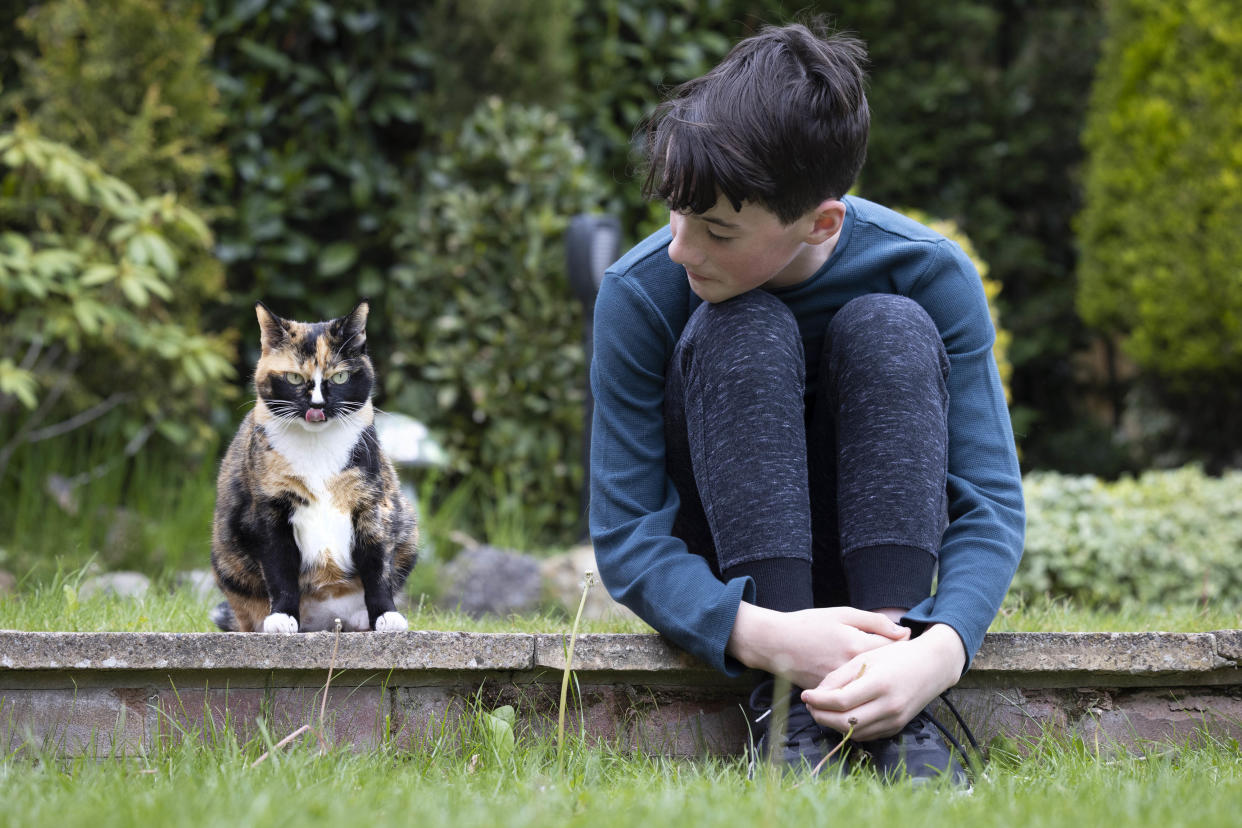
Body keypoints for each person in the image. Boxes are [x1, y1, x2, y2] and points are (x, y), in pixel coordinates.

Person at [587, 19, 1025, 783]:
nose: (682, 248)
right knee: (741, 326)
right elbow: (626, 532)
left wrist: (936, 653)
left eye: (718, 230)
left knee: (888, 325)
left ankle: (893, 701)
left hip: (891, 600)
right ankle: (785, 706)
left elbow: (989, 500)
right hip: (744, 588)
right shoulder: (639, 292)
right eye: (677, 213)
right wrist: (764, 637)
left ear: (821, 221)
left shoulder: (928, 272)